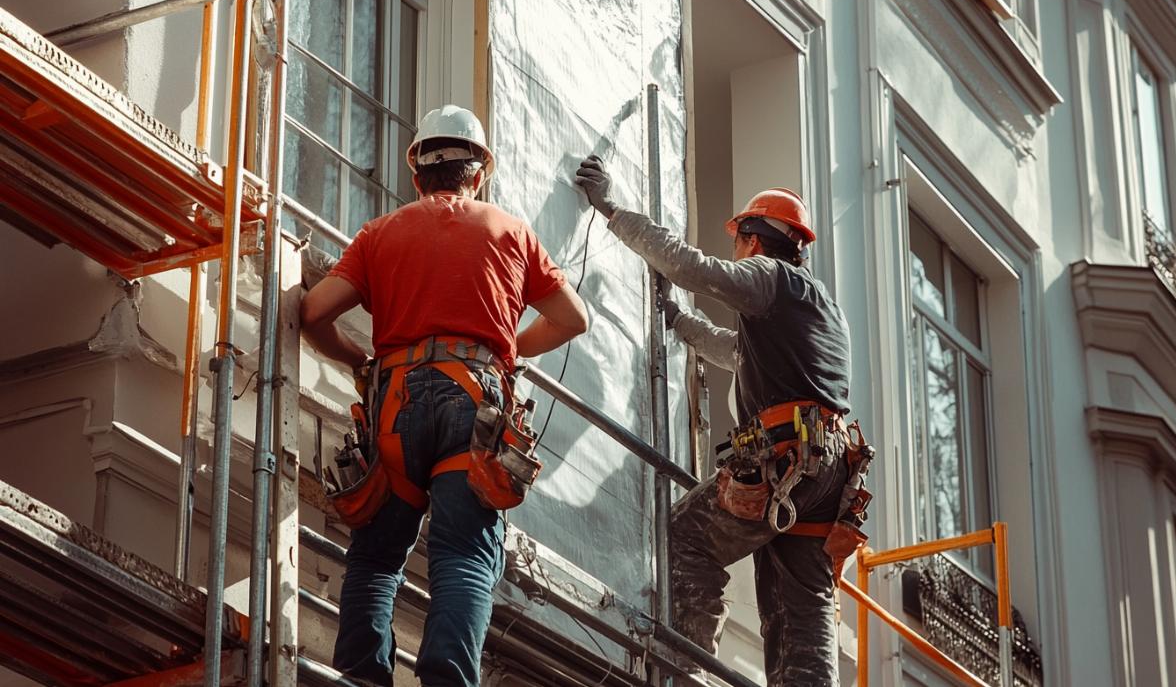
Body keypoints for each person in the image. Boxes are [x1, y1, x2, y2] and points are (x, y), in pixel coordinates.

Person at [300, 105, 589, 686]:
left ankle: (360, 677)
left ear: (417, 176)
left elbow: (313, 312)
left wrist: (358, 361)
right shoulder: (509, 231)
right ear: (478, 173)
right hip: (475, 404)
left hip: (396, 404)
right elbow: (572, 318)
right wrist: (505, 348)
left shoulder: (381, 233)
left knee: (377, 556)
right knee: (463, 555)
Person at [573, 156, 870, 686]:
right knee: (801, 615)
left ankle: (686, 676)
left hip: (788, 461)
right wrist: (679, 321)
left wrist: (612, 208)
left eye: (738, 242)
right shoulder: (822, 307)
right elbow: (736, 351)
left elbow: (691, 268)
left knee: (683, 539)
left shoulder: (769, 276)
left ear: (753, 241)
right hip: (827, 476)